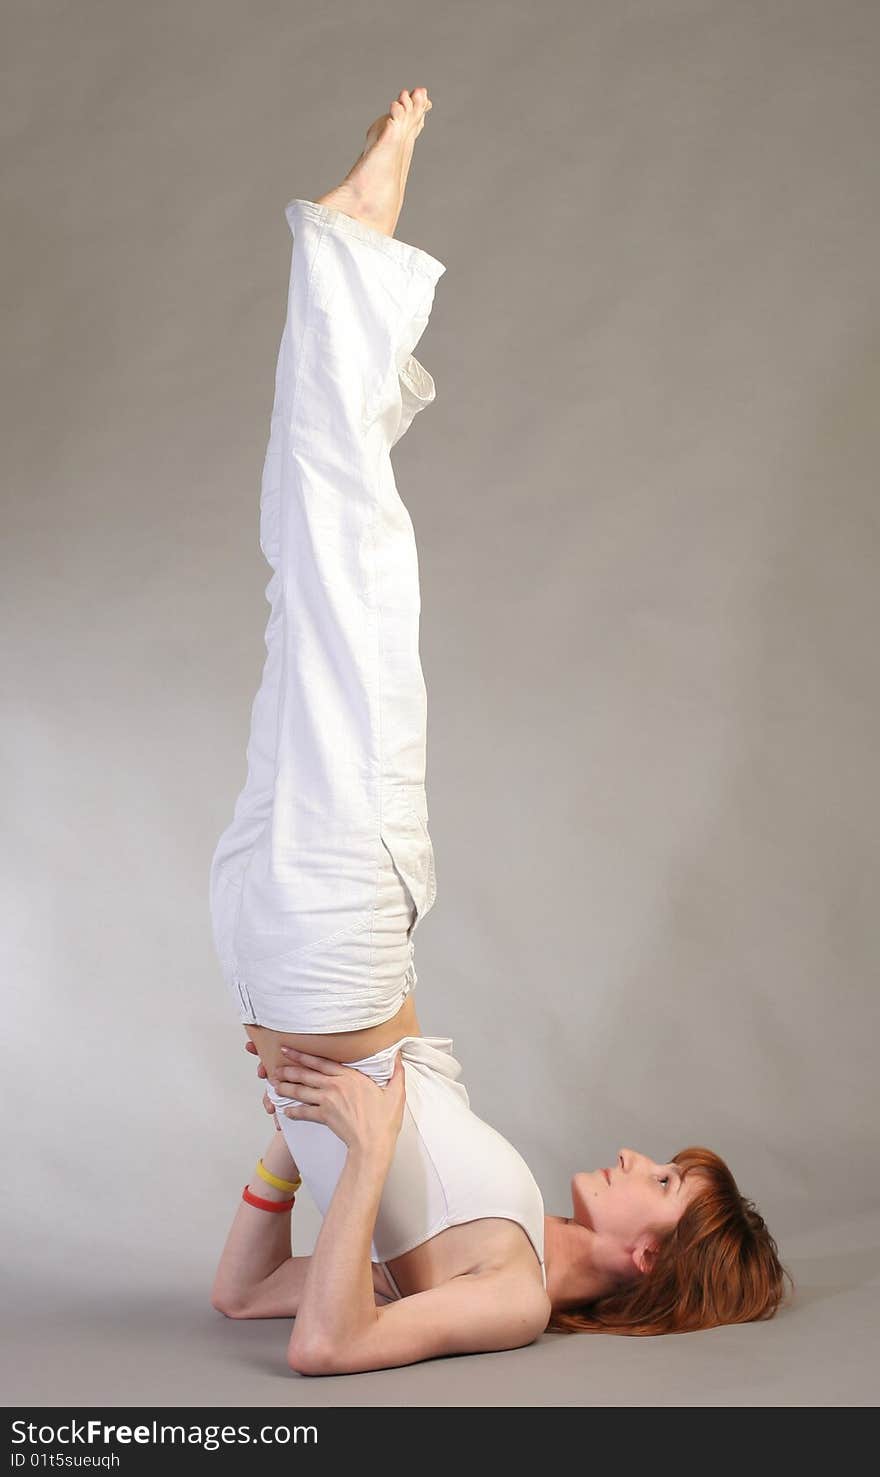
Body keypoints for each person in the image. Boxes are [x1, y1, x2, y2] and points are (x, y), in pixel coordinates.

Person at [208, 88, 792, 1375]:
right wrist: (287, 1150)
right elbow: (243, 1294)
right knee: (313, 581)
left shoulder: (515, 1294)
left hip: (333, 945)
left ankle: (354, 255)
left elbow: (315, 1344)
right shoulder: (510, 1227)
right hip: (294, 954)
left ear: (654, 1253)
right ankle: (349, 266)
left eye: (667, 1181)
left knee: (351, 579)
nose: (645, 1155)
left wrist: (346, 1146)